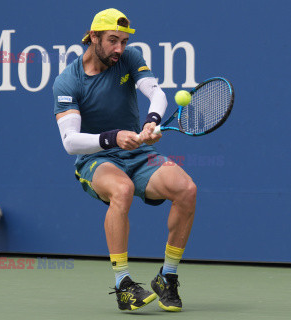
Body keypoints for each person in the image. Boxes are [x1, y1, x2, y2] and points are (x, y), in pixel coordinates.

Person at [53, 8, 196, 312]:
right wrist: (112, 137)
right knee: (122, 190)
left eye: (124, 41)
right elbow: (70, 142)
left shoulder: (128, 59)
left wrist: (152, 122)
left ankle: (167, 277)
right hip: (95, 159)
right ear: (93, 37)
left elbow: (156, 92)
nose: (120, 48)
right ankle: (123, 285)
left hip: (138, 153)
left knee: (186, 189)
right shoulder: (67, 82)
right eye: (113, 40)